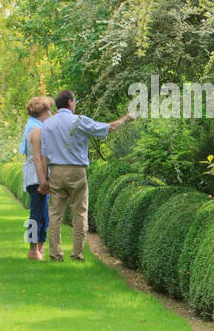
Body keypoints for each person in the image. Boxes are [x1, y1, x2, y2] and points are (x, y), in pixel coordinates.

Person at [36, 90, 134, 262]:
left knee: (55, 215)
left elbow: (44, 154)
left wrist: (44, 178)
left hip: (56, 171)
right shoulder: (79, 121)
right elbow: (107, 128)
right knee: (79, 213)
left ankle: (55, 254)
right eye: (74, 101)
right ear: (69, 103)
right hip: (76, 171)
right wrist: (126, 119)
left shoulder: (47, 125)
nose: (75, 105)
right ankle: (77, 254)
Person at [21, 95, 53, 260]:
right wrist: (43, 180)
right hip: (35, 176)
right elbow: (38, 157)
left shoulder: (35, 128)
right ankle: (33, 249)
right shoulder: (36, 131)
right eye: (50, 111)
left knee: (43, 213)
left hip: (37, 175)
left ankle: (40, 246)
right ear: (45, 112)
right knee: (36, 214)